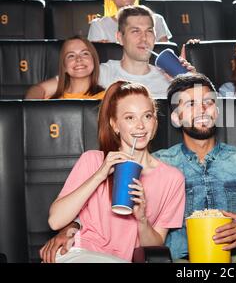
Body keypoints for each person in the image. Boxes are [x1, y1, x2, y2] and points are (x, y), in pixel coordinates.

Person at [41, 73, 236, 263]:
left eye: (208, 102)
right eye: (189, 104)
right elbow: (94, 210)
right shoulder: (162, 164)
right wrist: (71, 228)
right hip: (182, 263)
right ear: (175, 117)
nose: (201, 110)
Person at [46, 80, 185, 263]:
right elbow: (55, 221)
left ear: (155, 122)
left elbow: (155, 245)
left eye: (147, 116)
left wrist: (142, 218)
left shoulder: (172, 179)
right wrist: (100, 175)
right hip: (77, 254)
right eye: (130, 118)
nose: (140, 126)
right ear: (115, 125)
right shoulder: (93, 160)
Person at [25, 5, 195, 99]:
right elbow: (40, 90)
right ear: (119, 38)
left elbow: (215, 114)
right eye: (135, 31)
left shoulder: (170, 76)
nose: (144, 38)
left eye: (149, 31)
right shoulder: (101, 73)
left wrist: (193, 81)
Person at [25, 36, 105, 100]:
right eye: (71, 55)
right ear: (64, 66)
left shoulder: (107, 98)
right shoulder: (48, 101)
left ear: (94, 60)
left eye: (85, 53)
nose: (78, 59)